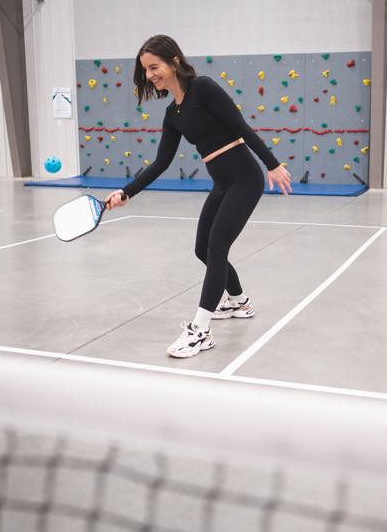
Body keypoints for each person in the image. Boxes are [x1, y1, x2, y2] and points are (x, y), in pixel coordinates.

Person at [105, 35, 292, 358]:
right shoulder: (172, 114)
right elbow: (161, 162)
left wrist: (272, 164)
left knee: (217, 247)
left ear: (174, 61)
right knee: (202, 249)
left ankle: (201, 331)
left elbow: (241, 126)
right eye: (145, 70)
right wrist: (127, 191)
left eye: (154, 66)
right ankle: (239, 302)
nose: (150, 75)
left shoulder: (203, 89)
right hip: (221, 183)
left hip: (245, 180)